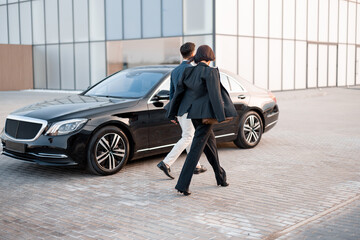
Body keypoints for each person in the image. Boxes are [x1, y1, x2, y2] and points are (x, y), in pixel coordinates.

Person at [167, 45, 238, 196]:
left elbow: (178, 93)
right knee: (195, 150)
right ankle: (182, 184)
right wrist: (221, 116)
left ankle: (221, 177)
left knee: (210, 145)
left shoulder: (188, 71)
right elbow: (215, 95)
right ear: (210, 57)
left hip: (193, 115)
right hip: (207, 116)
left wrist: (173, 113)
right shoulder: (211, 72)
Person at [157, 42, 207, 179]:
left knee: (188, 135)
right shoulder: (192, 69)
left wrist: (173, 113)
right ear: (193, 53)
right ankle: (166, 163)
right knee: (188, 136)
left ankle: (195, 165)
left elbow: (172, 94)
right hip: (189, 109)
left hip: (180, 110)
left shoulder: (175, 71)